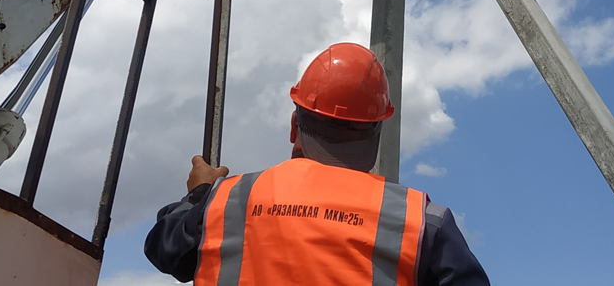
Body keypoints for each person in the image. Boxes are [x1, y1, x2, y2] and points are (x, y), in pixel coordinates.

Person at [144, 42, 490, 285]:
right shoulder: (421, 221)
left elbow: (164, 249)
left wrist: (200, 192)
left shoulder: (225, 201)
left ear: (295, 126)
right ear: (377, 133)